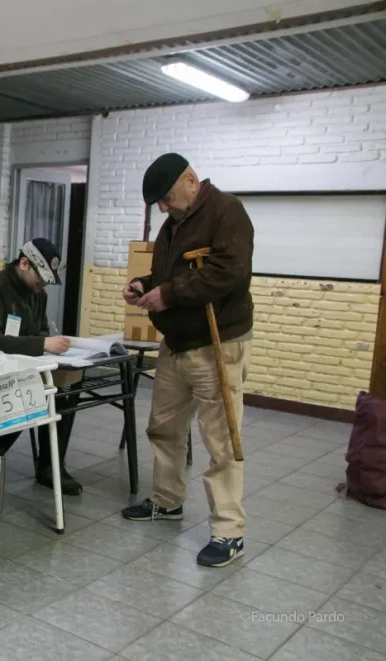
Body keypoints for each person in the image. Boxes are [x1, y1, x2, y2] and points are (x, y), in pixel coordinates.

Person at [120, 153, 254, 568]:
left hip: (217, 344)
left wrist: (169, 294)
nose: (163, 207)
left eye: (166, 197)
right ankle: (167, 500)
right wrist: (145, 284)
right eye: (159, 202)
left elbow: (228, 272)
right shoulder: (173, 224)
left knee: (220, 440)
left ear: (191, 180)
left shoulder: (226, 212)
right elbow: (169, 276)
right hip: (176, 343)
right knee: (163, 427)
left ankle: (229, 531)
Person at [0, 238, 83, 495]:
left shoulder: (38, 295)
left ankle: (51, 465)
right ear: (24, 263)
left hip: (22, 368)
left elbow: (41, 331)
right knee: (30, 394)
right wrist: (43, 344)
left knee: (66, 387)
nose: (43, 284)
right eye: (40, 277)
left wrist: (49, 346)